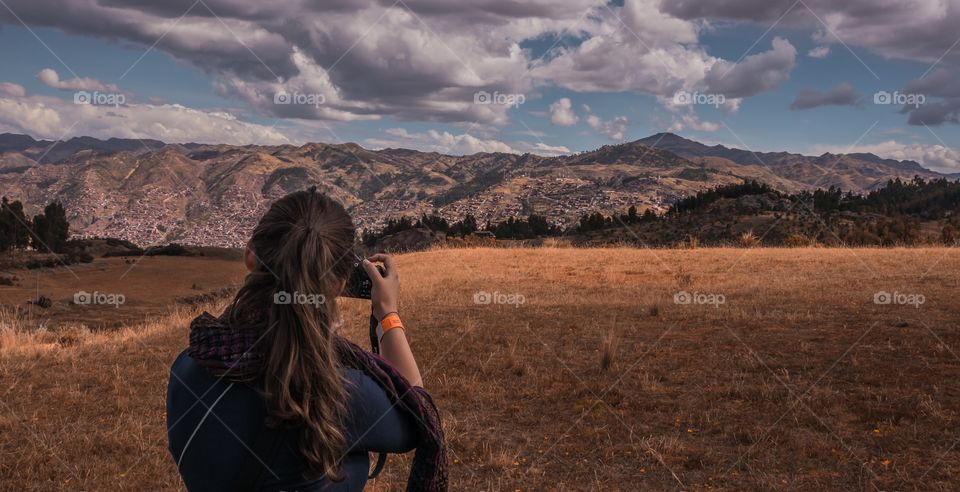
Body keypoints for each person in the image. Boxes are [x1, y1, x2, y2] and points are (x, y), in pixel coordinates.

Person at [166, 189, 447, 491]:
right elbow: (417, 415)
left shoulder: (189, 365)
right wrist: (388, 314)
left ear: (250, 255)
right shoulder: (338, 393)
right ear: (340, 284)